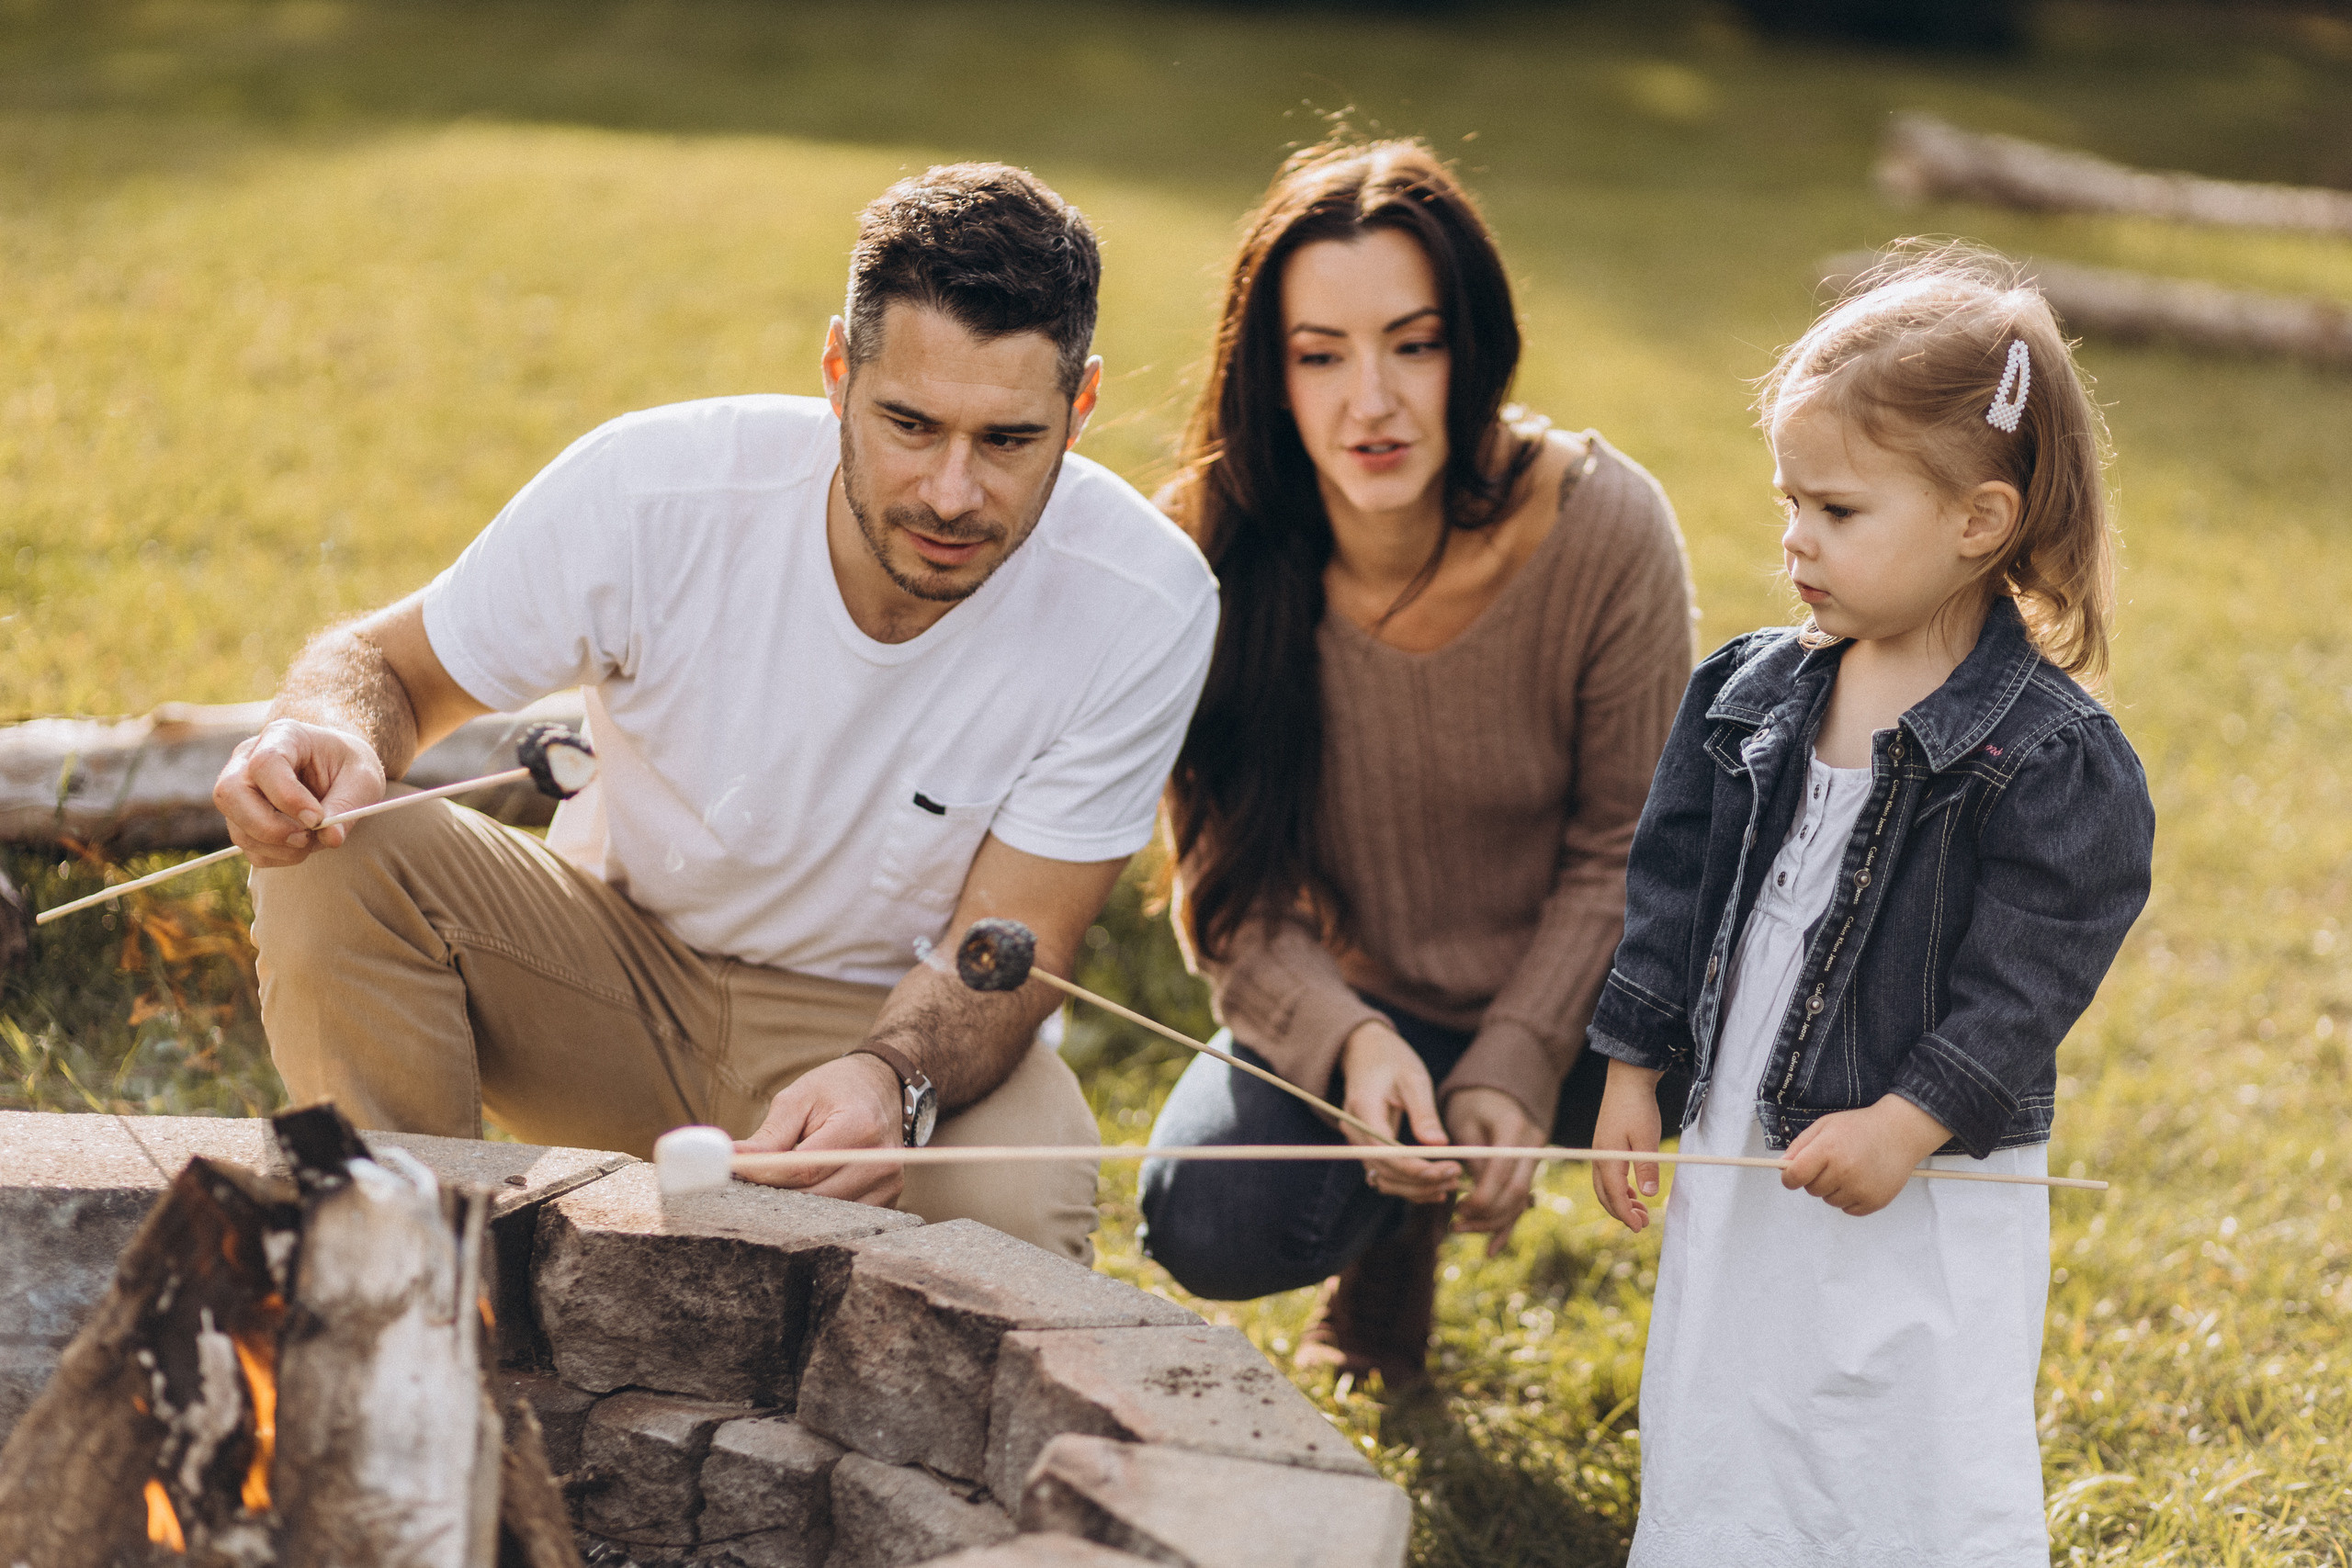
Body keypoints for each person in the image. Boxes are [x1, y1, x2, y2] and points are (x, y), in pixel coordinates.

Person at [212, 164, 1219, 1263]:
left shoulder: (1145, 602)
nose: (949, 492)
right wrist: (326, 731)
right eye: (909, 424)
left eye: (1009, 441)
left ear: (1080, 408)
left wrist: (891, 1077)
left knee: (1020, 1210)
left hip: (879, 1033)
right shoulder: (654, 492)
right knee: (343, 853)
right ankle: (403, 1281)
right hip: (602, 983)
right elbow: (385, 672)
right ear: (837, 372)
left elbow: (1015, 940)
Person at [1588, 246, 2155, 1565]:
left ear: (1979, 519)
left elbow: (2033, 971)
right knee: (1738, 1371)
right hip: (1748, 1115)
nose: (1795, 539)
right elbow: (1672, 878)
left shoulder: (2049, 752)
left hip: (1918, 1163)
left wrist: (1909, 1119)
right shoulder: (1750, 689)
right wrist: (1634, 1055)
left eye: (1837, 510)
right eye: (1789, 500)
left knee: (1895, 1403)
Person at [1136, 139, 1697, 1384]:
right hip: (1375, 999)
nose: (1371, 402)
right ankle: (1396, 1223)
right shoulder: (1206, 551)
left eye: (1414, 343)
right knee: (1208, 1211)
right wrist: (1348, 1045)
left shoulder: (1607, 525)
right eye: (1320, 356)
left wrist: (1519, 1051)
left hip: (1609, 1000)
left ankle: (1739, 1380)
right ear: (1269, 374)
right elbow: (1233, 892)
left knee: (1787, 1084)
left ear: (1474, 348)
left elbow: (1634, 843)